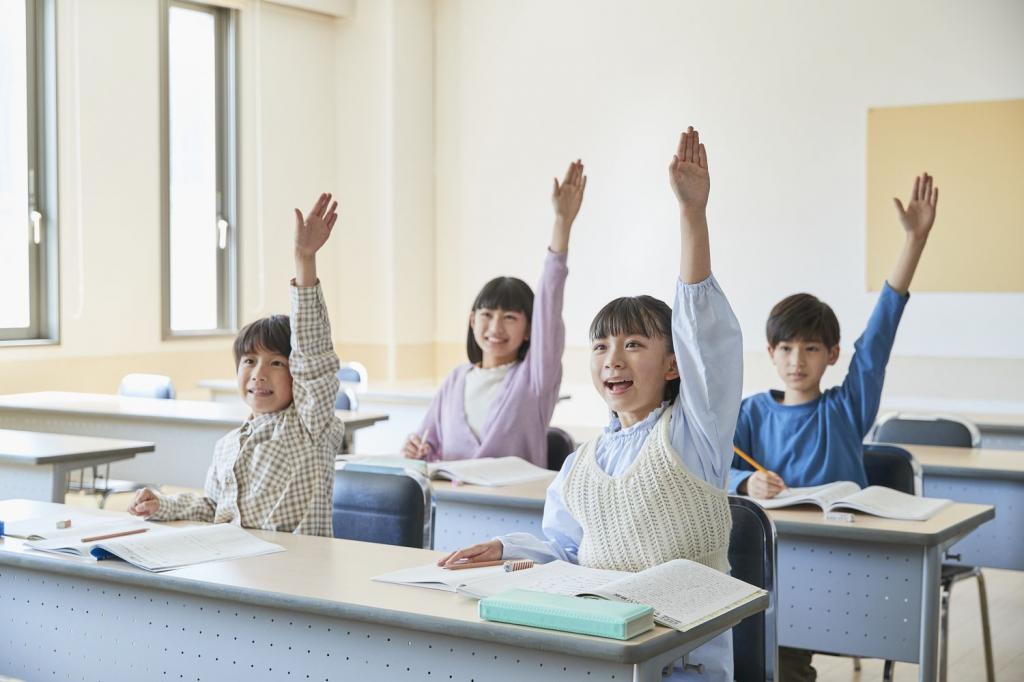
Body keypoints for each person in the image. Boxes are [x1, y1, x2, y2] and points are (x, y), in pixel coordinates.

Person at [438, 128, 743, 681]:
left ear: (673, 365)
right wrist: (506, 548)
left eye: (633, 344)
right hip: (600, 651)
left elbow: (707, 341)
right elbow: (563, 547)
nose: (613, 360)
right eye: (601, 346)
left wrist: (692, 215)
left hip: (680, 662)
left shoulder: (694, 433)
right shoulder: (583, 463)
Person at [731, 173, 939, 681]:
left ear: (832, 355)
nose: (796, 360)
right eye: (785, 348)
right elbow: (716, 476)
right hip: (772, 563)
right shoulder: (752, 411)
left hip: (839, 566)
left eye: (810, 348)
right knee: (762, 648)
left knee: (787, 652)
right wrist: (744, 483)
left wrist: (913, 242)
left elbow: (880, 337)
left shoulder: (846, 408)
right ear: (770, 353)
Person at [129, 193, 345, 537]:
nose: (259, 373)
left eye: (277, 362)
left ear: (295, 373)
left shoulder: (309, 426)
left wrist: (304, 259)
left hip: (295, 568)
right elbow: (214, 507)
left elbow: (313, 357)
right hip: (239, 563)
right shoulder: (229, 444)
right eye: (249, 361)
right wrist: (162, 504)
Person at [403, 161, 586, 467]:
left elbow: (550, 305)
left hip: (513, 512)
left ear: (530, 329)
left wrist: (562, 223)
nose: (496, 327)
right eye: (487, 314)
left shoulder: (534, 379)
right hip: (453, 507)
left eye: (511, 317)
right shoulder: (455, 380)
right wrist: (416, 451)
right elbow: (428, 447)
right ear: (472, 320)